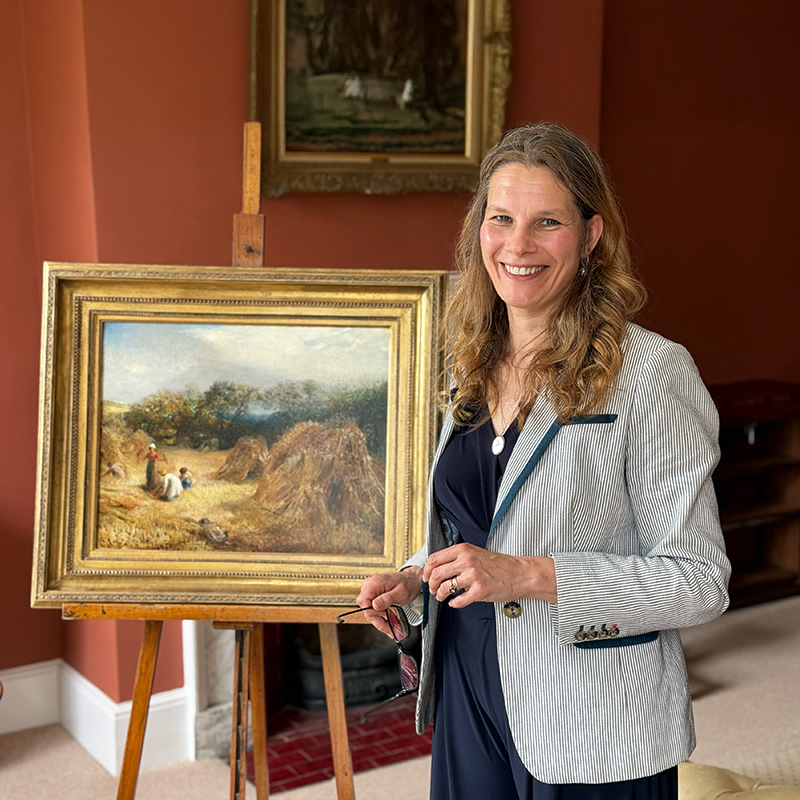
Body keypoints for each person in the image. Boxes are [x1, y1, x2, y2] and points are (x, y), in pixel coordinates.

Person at [355, 122, 731, 800]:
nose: (518, 245)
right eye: (501, 219)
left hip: (594, 720)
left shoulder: (653, 374)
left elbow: (699, 581)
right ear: (480, 230)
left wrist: (527, 576)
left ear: (591, 236)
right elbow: (478, 521)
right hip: (470, 692)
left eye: (547, 222)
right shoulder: (460, 362)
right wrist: (416, 578)